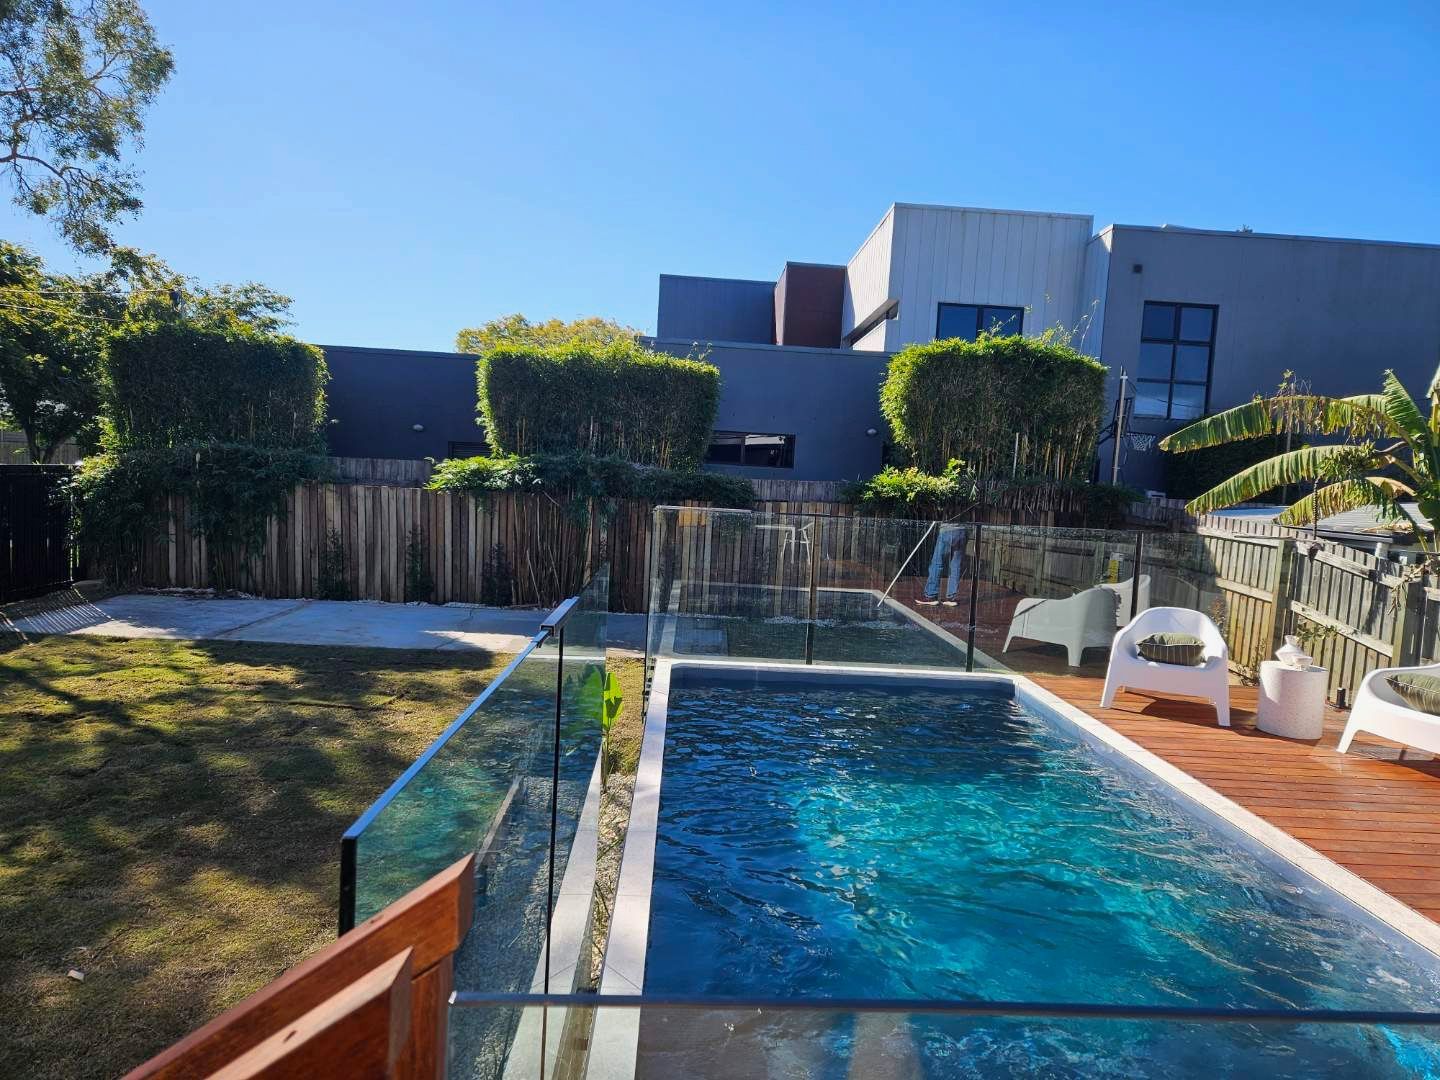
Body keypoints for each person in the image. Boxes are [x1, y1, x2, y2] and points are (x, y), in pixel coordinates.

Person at [917, 523, 967, 607]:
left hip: (947, 530)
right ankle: (951, 598)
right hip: (962, 531)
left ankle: (931, 596)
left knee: (937, 563)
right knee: (956, 565)